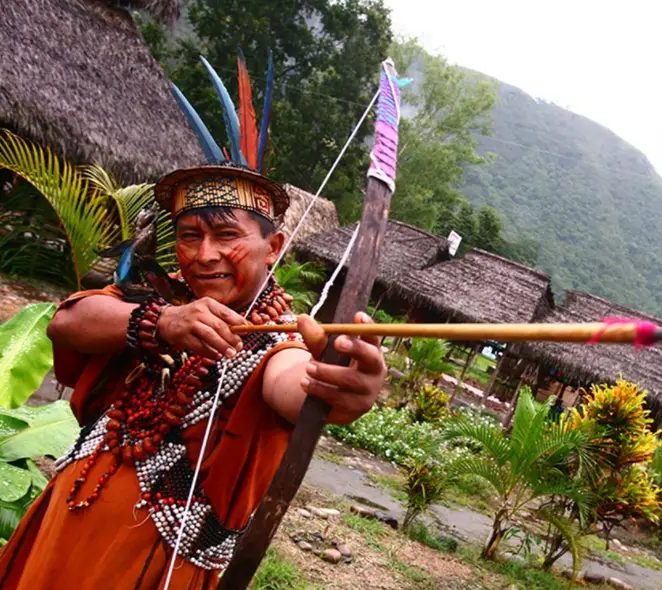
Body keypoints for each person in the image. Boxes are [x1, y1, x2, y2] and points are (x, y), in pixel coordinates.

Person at [0, 54, 387, 589]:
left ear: (274, 246)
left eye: (227, 235)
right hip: (61, 525)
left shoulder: (275, 338)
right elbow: (70, 322)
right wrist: (161, 323)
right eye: (189, 236)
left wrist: (337, 386)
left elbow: (292, 380)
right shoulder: (160, 297)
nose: (205, 254)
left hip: (151, 566)